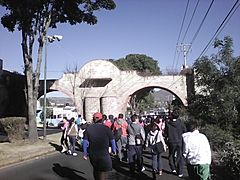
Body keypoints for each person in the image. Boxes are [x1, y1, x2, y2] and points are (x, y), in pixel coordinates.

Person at [83, 112, 116, 180]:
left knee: (96, 169)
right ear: (102, 119)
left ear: (93, 119)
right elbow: (112, 140)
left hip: (92, 154)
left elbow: (85, 142)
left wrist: (85, 153)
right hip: (104, 153)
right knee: (103, 171)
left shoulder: (89, 129)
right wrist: (114, 150)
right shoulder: (106, 129)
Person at [165, 109, 186, 178]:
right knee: (180, 156)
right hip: (179, 141)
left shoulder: (168, 123)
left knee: (171, 155)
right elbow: (184, 131)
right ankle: (180, 171)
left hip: (171, 141)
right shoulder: (181, 123)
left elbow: (166, 133)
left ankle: (173, 168)